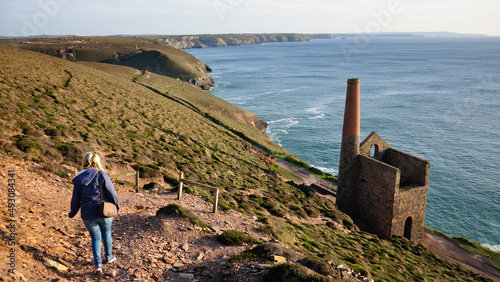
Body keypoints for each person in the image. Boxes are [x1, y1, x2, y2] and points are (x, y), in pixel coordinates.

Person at [69, 152, 120, 274]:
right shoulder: (101, 174)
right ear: (97, 161)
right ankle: (109, 257)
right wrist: (117, 207)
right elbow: (112, 193)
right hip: (105, 211)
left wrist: (73, 212)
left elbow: (75, 199)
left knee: (95, 238)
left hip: (88, 214)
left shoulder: (79, 178)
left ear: (84, 161)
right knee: (106, 234)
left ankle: (98, 265)